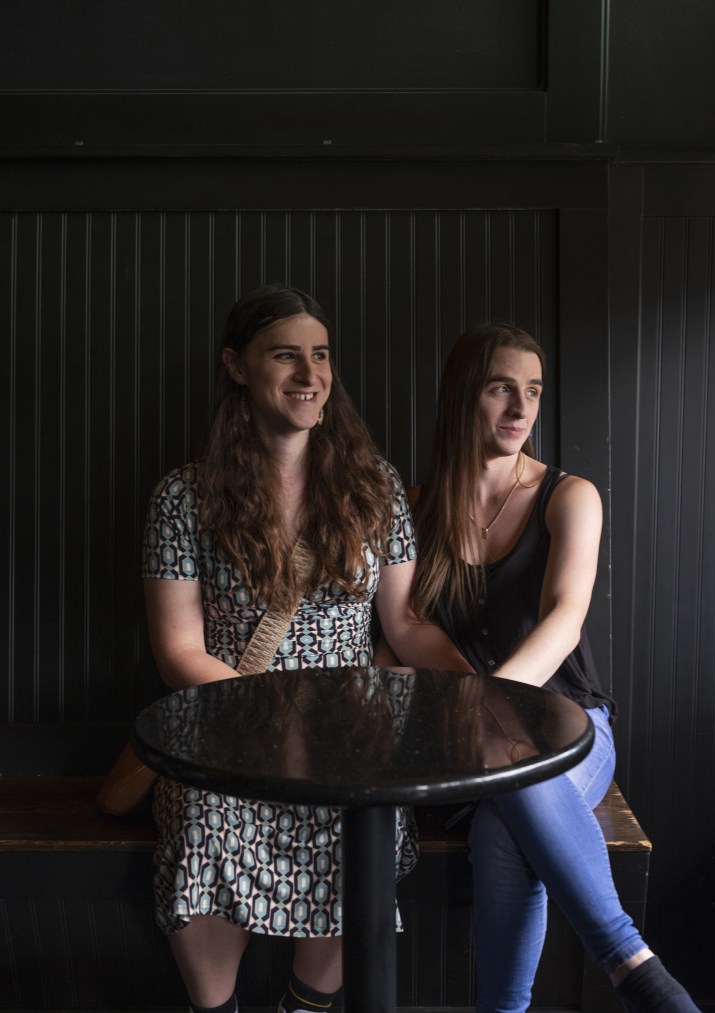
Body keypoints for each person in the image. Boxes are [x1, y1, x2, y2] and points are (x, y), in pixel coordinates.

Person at [141, 284, 465, 1013]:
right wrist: (268, 726)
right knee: (203, 821)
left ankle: (305, 1007)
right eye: (285, 354)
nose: (309, 373)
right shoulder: (183, 498)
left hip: (349, 732)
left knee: (364, 826)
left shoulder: (373, 487)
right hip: (223, 733)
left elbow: (406, 624)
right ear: (236, 366)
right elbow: (177, 650)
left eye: (319, 355)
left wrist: (489, 687)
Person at [404, 322, 700, 1013]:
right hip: (462, 746)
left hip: (569, 724)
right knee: (500, 821)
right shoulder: (415, 512)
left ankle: (622, 964)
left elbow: (565, 619)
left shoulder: (569, 495)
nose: (520, 408)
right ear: (460, 396)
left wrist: (489, 704)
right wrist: (473, 713)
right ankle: (642, 975)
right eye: (501, 388)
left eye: (532, 391)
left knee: (513, 793)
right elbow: (400, 632)